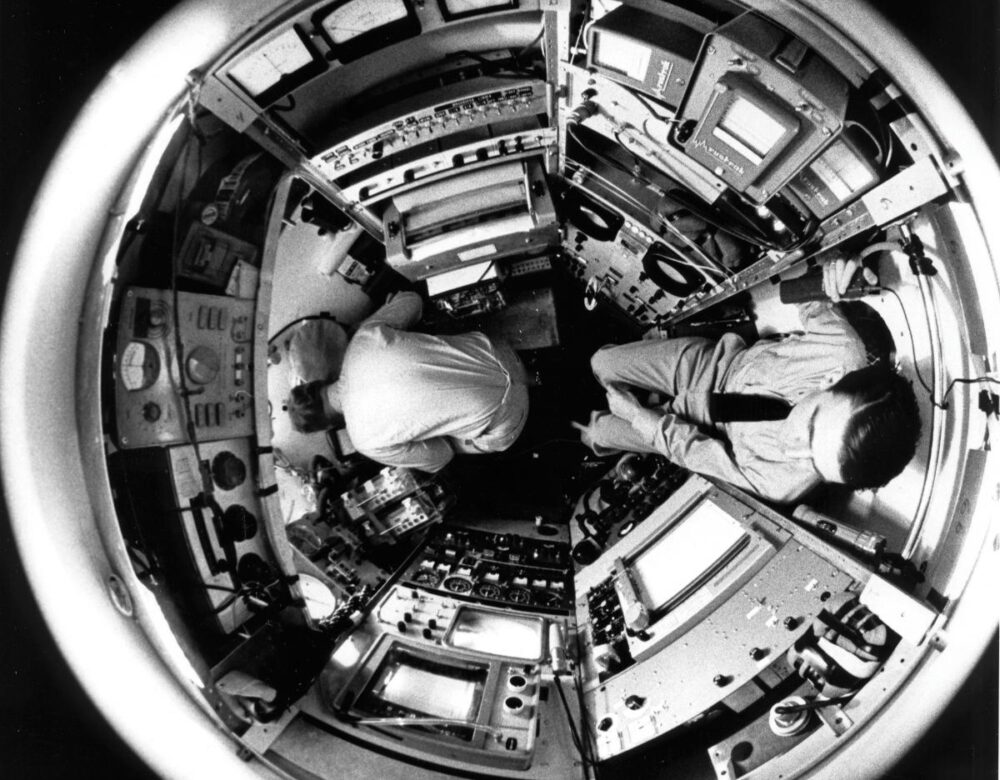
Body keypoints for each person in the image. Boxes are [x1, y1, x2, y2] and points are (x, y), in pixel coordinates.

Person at [575, 257, 921, 503]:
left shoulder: (781, 485)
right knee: (600, 363)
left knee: (596, 432)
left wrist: (637, 416)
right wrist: (833, 273)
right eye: (810, 428)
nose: (792, 448)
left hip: (700, 428)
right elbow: (810, 296)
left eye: (813, 463)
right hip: (713, 367)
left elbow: (695, 453)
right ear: (831, 380)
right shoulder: (841, 351)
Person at [287, 290, 529, 473]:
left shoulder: (365, 442)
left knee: (443, 442)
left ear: (328, 426)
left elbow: (441, 457)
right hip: (503, 353)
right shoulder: (361, 341)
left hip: (511, 416)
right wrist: (371, 322)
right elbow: (412, 301)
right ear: (318, 382)